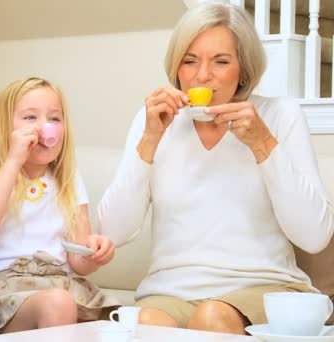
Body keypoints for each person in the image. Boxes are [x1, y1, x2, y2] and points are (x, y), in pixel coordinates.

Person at [97, 2, 334, 335]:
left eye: (221, 61)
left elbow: (314, 236)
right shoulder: (151, 122)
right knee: (146, 324)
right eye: (189, 61)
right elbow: (113, 231)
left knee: (211, 318)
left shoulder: (281, 115)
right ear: (176, 68)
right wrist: (150, 139)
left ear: (244, 70)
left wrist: (262, 144)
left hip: (262, 288)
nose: (202, 76)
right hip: (170, 293)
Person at [0, 77, 119, 333]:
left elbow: (79, 261)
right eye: (30, 118)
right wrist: (13, 162)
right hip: (3, 294)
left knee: (118, 321)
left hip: (62, 286)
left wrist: (96, 253)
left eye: (54, 118)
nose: (45, 127)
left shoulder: (68, 180)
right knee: (58, 304)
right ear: (3, 127)